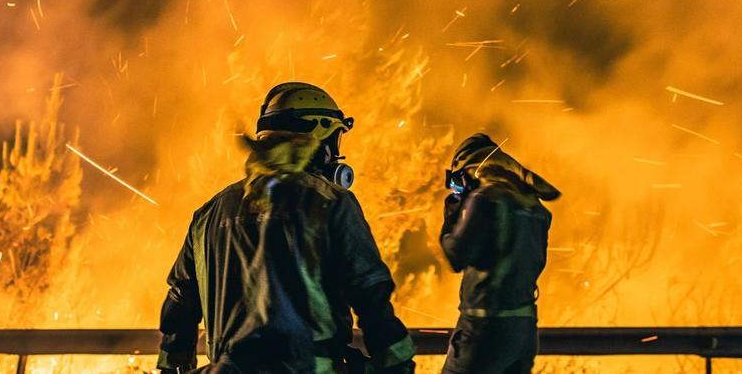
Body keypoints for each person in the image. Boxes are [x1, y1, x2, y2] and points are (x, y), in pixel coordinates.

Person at [157, 82, 416, 374]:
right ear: (319, 139)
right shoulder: (329, 202)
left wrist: (172, 366)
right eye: (335, 141)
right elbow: (370, 295)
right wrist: (397, 363)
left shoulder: (210, 213)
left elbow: (180, 305)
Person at [439, 133, 561, 374]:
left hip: (484, 329)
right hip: (524, 330)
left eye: (457, 184)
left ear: (469, 173)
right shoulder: (534, 207)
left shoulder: (485, 199)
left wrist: (451, 217)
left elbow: (455, 256)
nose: (457, 191)